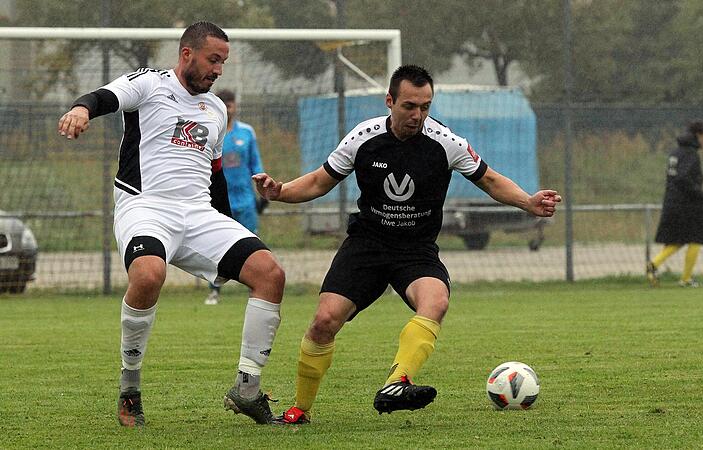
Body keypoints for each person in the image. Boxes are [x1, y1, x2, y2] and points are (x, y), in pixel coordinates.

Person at [252, 65, 562, 424]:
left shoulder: (446, 143)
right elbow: (320, 181)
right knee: (323, 321)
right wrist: (281, 192)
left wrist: (527, 202)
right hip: (367, 244)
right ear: (390, 101)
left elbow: (490, 180)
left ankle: (397, 382)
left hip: (416, 249)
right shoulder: (363, 137)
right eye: (409, 106)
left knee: (436, 301)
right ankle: (300, 410)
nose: (417, 115)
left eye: (425, 107)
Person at [57, 22, 286, 427]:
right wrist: (81, 109)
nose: (218, 70)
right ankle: (130, 387)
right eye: (213, 60)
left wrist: (232, 230)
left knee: (270, 273)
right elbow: (104, 97)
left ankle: (248, 389)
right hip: (145, 206)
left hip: (199, 214)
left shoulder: (216, 110)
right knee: (148, 275)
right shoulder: (150, 83)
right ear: (186, 54)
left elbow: (216, 175)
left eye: (223, 62)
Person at [204, 89, 266, 306]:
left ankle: (257, 288)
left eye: (231, 102)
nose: (228, 107)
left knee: (252, 244)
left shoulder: (247, 132)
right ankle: (214, 290)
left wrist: (262, 192)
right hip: (220, 200)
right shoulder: (210, 131)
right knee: (217, 245)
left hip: (246, 200)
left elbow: (255, 162)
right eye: (224, 103)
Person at [647, 120, 703, 288]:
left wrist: (699, 177)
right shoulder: (691, 154)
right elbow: (683, 178)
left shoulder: (675, 153)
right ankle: (686, 279)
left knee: (678, 240)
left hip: (672, 201)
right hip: (688, 204)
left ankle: (653, 265)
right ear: (698, 135)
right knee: (695, 239)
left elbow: (676, 176)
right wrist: (700, 192)